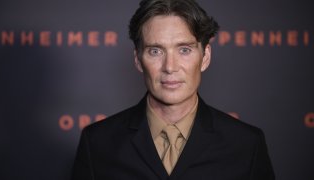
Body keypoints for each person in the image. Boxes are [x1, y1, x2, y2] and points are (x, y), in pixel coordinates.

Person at [71, 0, 275, 179]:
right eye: (155, 51)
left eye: (184, 50)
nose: (170, 66)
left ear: (205, 57)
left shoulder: (246, 145)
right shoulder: (98, 143)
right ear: (138, 60)